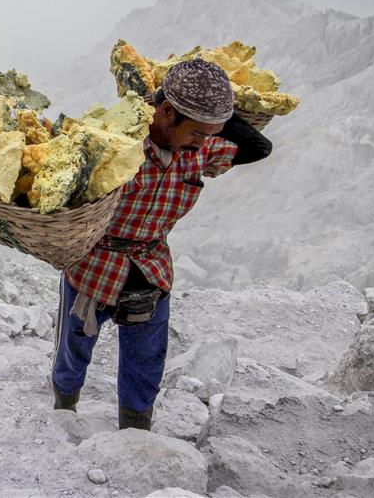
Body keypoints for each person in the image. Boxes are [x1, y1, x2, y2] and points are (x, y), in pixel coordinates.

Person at [50, 58, 272, 430]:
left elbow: (259, 148)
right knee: (74, 348)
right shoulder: (117, 145)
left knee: (147, 358)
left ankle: (135, 428)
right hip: (94, 266)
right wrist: (160, 103)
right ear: (165, 113)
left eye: (210, 133)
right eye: (199, 132)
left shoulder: (198, 151)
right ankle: (63, 408)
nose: (205, 142)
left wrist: (217, 113)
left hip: (151, 267)